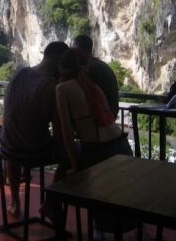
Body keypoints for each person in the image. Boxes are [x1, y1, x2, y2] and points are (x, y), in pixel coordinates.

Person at [55, 48, 133, 234]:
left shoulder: (62, 89)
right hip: (121, 145)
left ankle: (52, 209)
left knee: (100, 207)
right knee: (122, 201)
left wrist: (75, 166)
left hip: (97, 151)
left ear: (61, 67)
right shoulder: (92, 85)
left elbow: (66, 131)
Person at [0, 41, 69, 217]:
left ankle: (15, 202)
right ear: (59, 61)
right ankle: (52, 202)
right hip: (33, 150)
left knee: (13, 147)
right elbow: (60, 133)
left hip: (8, 146)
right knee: (72, 153)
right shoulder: (51, 86)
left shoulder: (21, 73)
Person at [72, 34, 120, 117]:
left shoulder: (88, 68)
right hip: (110, 115)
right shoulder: (102, 65)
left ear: (77, 49)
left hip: (100, 118)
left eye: (72, 50)